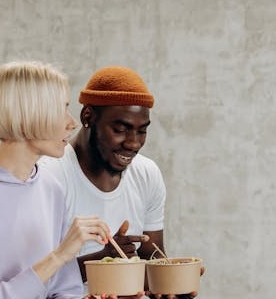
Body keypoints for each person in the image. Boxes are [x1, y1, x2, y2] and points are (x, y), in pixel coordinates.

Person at [0, 61, 115, 299]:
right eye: (62, 109)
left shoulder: (50, 188)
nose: (72, 122)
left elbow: (64, 291)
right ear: (29, 114)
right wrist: (58, 256)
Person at [39, 66, 202, 299]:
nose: (133, 143)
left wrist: (171, 285)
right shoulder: (48, 175)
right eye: (120, 129)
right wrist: (102, 259)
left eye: (142, 131)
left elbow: (151, 258)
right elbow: (34, 278)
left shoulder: (147, 173)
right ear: (88, 117)